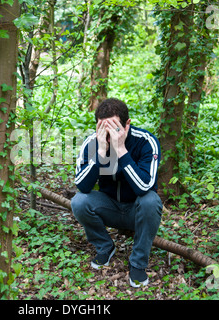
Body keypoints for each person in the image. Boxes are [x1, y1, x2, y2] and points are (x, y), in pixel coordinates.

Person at [71, 98, 162, 288]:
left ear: (127, 124)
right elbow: (82, 186)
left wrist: (121, 150)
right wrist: (101, 151)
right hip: (109, 207)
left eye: (114, 130)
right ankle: (105, 246)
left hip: (137, 211)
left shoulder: (146, 142)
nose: (109, 136)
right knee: (79, 201)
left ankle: (137, 263)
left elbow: (144, 187)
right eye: (104, 130)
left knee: (151, 201)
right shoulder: (92, 142)